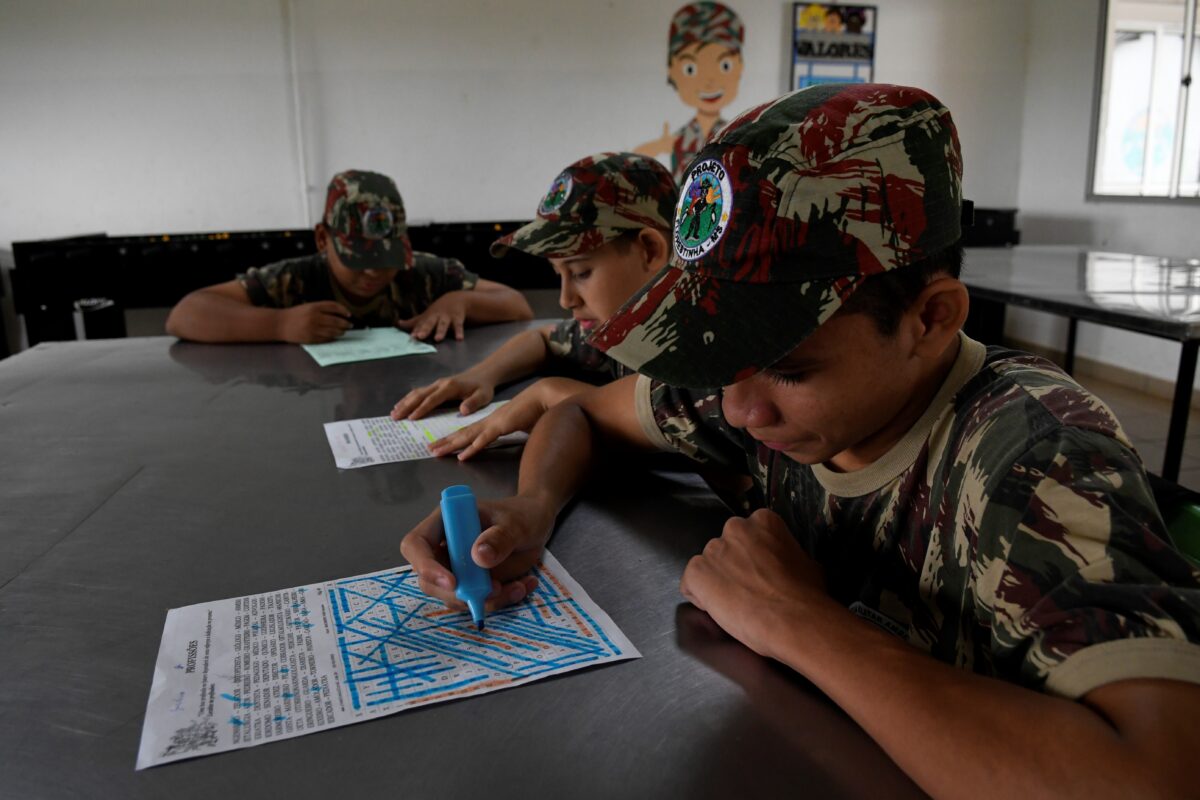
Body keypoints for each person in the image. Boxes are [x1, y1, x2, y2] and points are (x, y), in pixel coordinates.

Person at [401, 84, 1200, 798]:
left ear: (931, 319)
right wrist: (533, 507)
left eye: (786, 369)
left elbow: (1156, 773)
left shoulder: (1038, 458)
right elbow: (577, 414)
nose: (740, 409)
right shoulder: (747, 390)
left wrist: (797, 622)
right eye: (721, 364)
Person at [389, 152, 675, 461]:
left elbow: (675, 417)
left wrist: (553, 395)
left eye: (580, 273)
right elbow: (542, 338)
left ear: (649, 250)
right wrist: (481, 376)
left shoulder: (700, 337)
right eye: (558, 275)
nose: (566, 300)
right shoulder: (620, 328)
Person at [165, 170, 532, 344]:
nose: (374, 270)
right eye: (358, 258)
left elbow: (517, 306)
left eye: (386, 257)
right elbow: (185, 314)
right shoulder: (297, 279)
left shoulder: (423, 273)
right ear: (323, 239)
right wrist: (279, 325)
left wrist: (461, 300)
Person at [635, 2, 745, 183]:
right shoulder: (679, 139)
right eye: (690, 69)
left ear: (740, 65)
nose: (709, 82)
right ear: (671, 69)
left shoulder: (735, 135)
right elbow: (635, 161)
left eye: (724, 65)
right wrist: (660, 146)